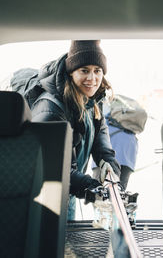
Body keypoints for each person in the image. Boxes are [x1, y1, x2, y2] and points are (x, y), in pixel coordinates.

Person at [30, 40, 121, 220]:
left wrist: (108, 164)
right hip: (44, 197)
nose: (92, 78)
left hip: (67, 190)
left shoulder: (92, 99)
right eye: (84, 70)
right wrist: (92, 186)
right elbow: (53, 167)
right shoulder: (51, 110)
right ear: (71, 72)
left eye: (97, 71)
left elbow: (99, 133)